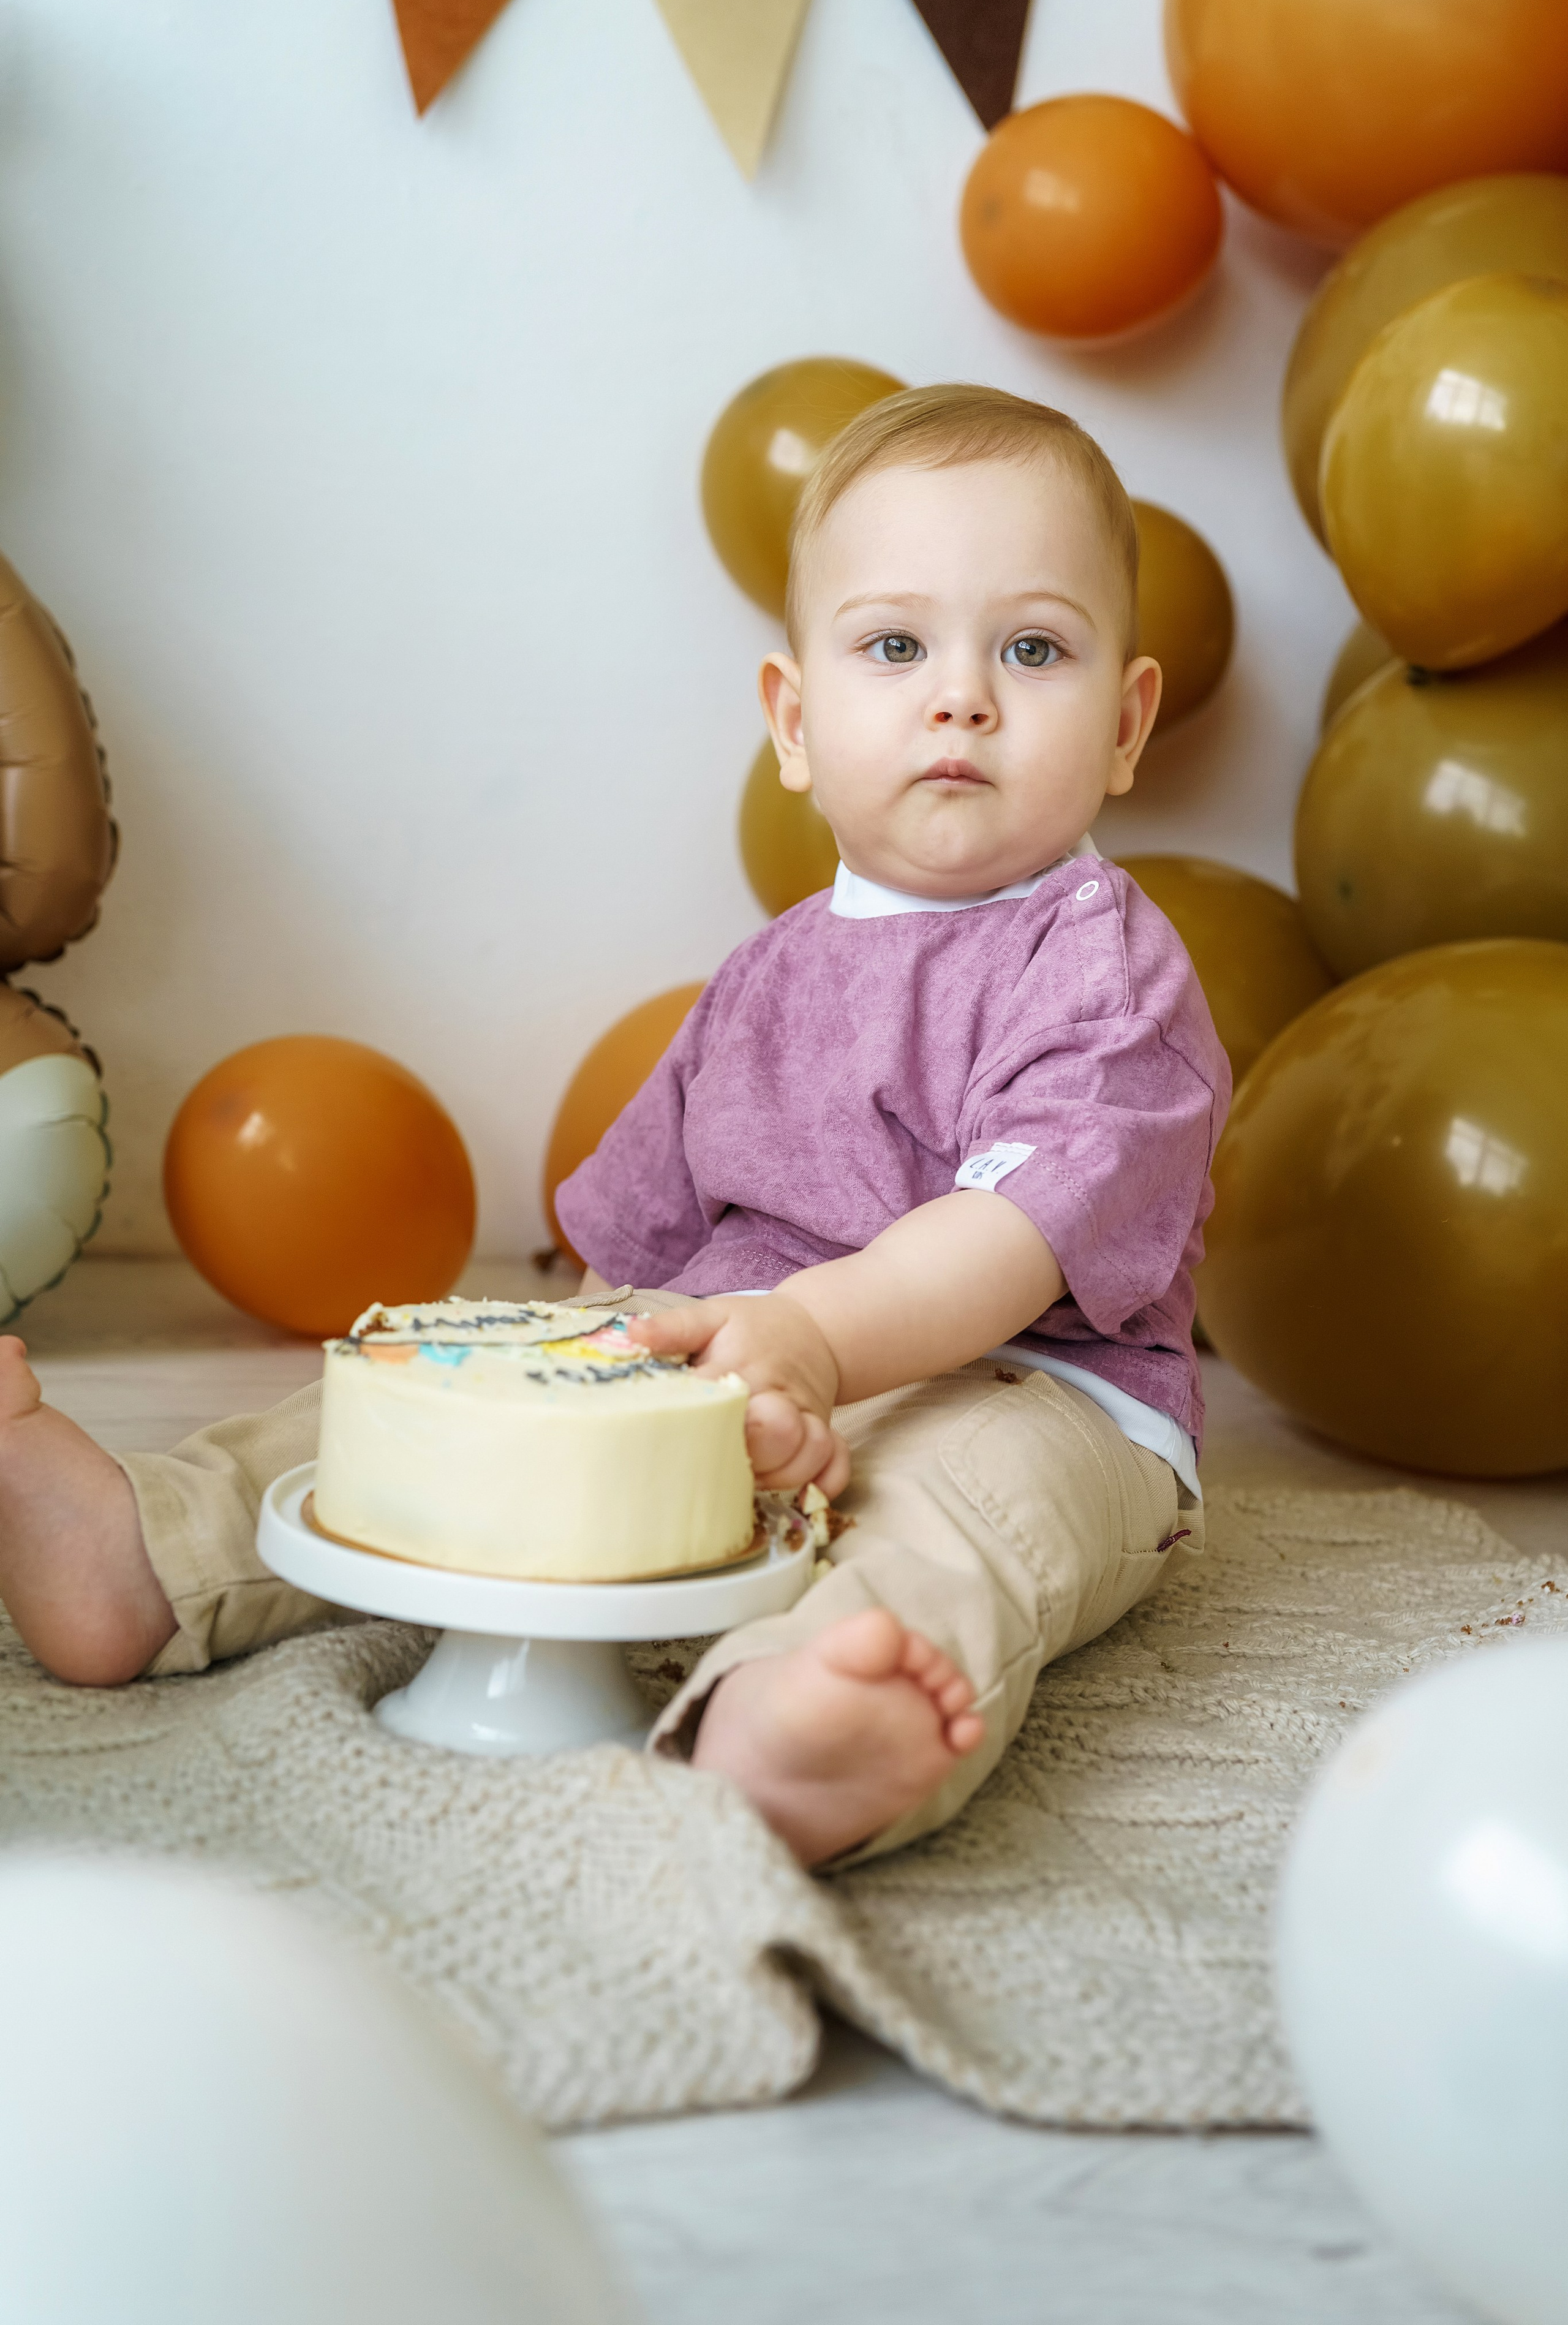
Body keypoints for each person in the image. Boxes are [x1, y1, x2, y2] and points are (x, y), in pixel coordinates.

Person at [0, 384, 1228, 1872]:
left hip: (1029, 1381)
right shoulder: (768, 973)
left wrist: (819, 1347)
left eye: (1030, 650)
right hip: (755, 1352)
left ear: (1124, 722)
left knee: (954, 1519)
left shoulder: (1102, 969)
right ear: (794, 720)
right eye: (894, 647)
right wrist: (564, 1392)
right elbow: (632, 1252)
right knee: (428, 1406)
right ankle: (153, 1553)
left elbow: (1009, 1237)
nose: (958, 696)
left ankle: (797, 1720)